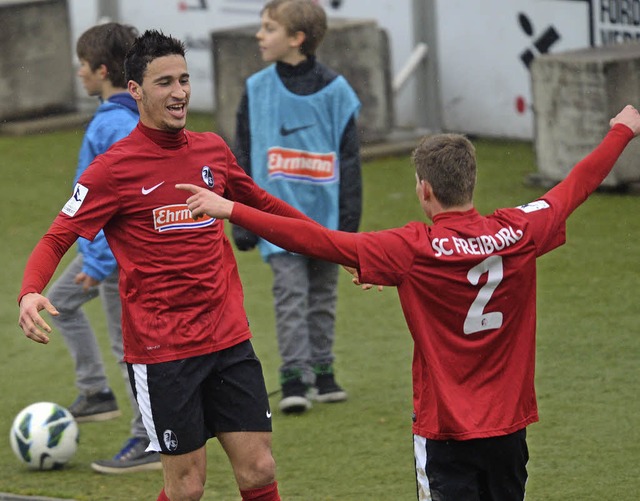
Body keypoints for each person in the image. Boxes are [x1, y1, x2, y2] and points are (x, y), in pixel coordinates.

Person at [177, 105, 640, 500]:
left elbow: (316, 241)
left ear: (424, 190)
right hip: (509, 427)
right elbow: (577, 184)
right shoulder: (519, 231)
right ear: (471, 181)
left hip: (445, 430)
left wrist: (231, 209)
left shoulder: (411, 248)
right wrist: (622, 129)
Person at [16, 29, 318, 501]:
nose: (179, 93)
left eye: (184, 79)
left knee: (259, 468)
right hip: (163, 353)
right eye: (164, 83)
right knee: (186, 487)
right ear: (134, 90)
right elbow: (59, 234)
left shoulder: (212, 150)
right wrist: (31, 290)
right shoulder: (113, 169)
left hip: (228, 338)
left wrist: (344, 251)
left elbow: (264, 206)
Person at [233, 0, 362, 414]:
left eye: (269, 28)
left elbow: (350, 161)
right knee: (290, 295)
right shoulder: (256, 89)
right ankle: (293, 378)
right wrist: (242, 218)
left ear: (296, 39)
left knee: (322, 296)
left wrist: (347, 225)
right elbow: (241, 155)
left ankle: (323, 373)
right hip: (275, 222)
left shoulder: (337, 92)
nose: (259, 35)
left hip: (323, 222)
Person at [45, 21, 161, 474]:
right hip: (110, 251)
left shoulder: (114, 124)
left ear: (101, 70)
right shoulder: (122, 118)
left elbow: (120, 199)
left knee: (128, 348)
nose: (79, 75)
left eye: (83, 66)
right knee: (58, 305)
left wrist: (95, 262)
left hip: (114, 257)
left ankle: (148, 438)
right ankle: (96, 393)